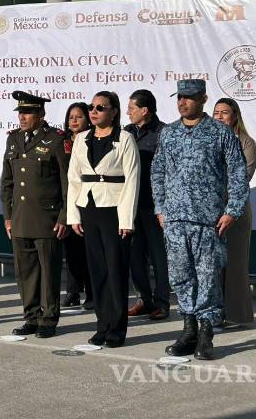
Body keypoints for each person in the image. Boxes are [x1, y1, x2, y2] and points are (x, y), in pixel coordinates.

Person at [152, 80, 248, 360]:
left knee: (207, 278)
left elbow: (238, 173)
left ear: (203, 99)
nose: (183, 102)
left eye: (190, 97)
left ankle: (206, 334)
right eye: (180, 97)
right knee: (181, 276)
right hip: (175, 220)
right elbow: (158, 172)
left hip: (208, 221)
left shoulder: (220, 133)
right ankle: (188, 329)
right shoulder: (168, 134)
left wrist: (232, 210)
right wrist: (160, 207)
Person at [67, 91, 140, 348]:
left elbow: (132, 180)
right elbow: (74, 178)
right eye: (92, 106)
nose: (94, 111)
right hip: (89, 207)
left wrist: (126, 220)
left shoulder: (125, 139)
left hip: (114, 210)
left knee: (116, 271)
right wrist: (73, 215)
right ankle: (102, 325)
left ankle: (117, 330)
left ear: (114, 111)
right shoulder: (81, 139)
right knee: (97, 271)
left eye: (101, 107)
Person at [1, 92, 69, 338]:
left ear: (41, 114)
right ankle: (31, 316)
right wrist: (8, 216)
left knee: (48, 273)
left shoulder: (56, 140)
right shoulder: (14, 140)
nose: (22, 117)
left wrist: (64, 217)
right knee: (26, 272)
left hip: (47, 219)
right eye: (20, 113)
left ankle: (48, 319)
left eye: (27, 112)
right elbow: (7, 182)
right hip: (20, 219)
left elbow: (67, 183)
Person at [125, 89, 171, 321]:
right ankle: (144, 299)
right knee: (135, 255)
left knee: (158, 255)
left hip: (154, 205)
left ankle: (162, 302)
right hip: (131, 204)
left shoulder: (165, 133)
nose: (128, 112)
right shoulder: (126, 132)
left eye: (131, 108)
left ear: (145, 110)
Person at [213, 97, 256, 327]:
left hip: (235, 212)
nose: (219, 116)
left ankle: (236, 315)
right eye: (216, 112)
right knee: (212, 266)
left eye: (225, 112)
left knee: (235, 266)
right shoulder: (207, 140)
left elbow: (242, 177)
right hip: (210, 211)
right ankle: (214, 313)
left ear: (235, 116)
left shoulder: (246, 143)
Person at [61, 102, 94, 311]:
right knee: (71, 250)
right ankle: (72, 291)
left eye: (79, 116)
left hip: (88, 200)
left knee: (88, 252)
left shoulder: (93, 140)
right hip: (67, 201)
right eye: (71, 117)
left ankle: (91, 294)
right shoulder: (60, 142)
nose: (74, 120)